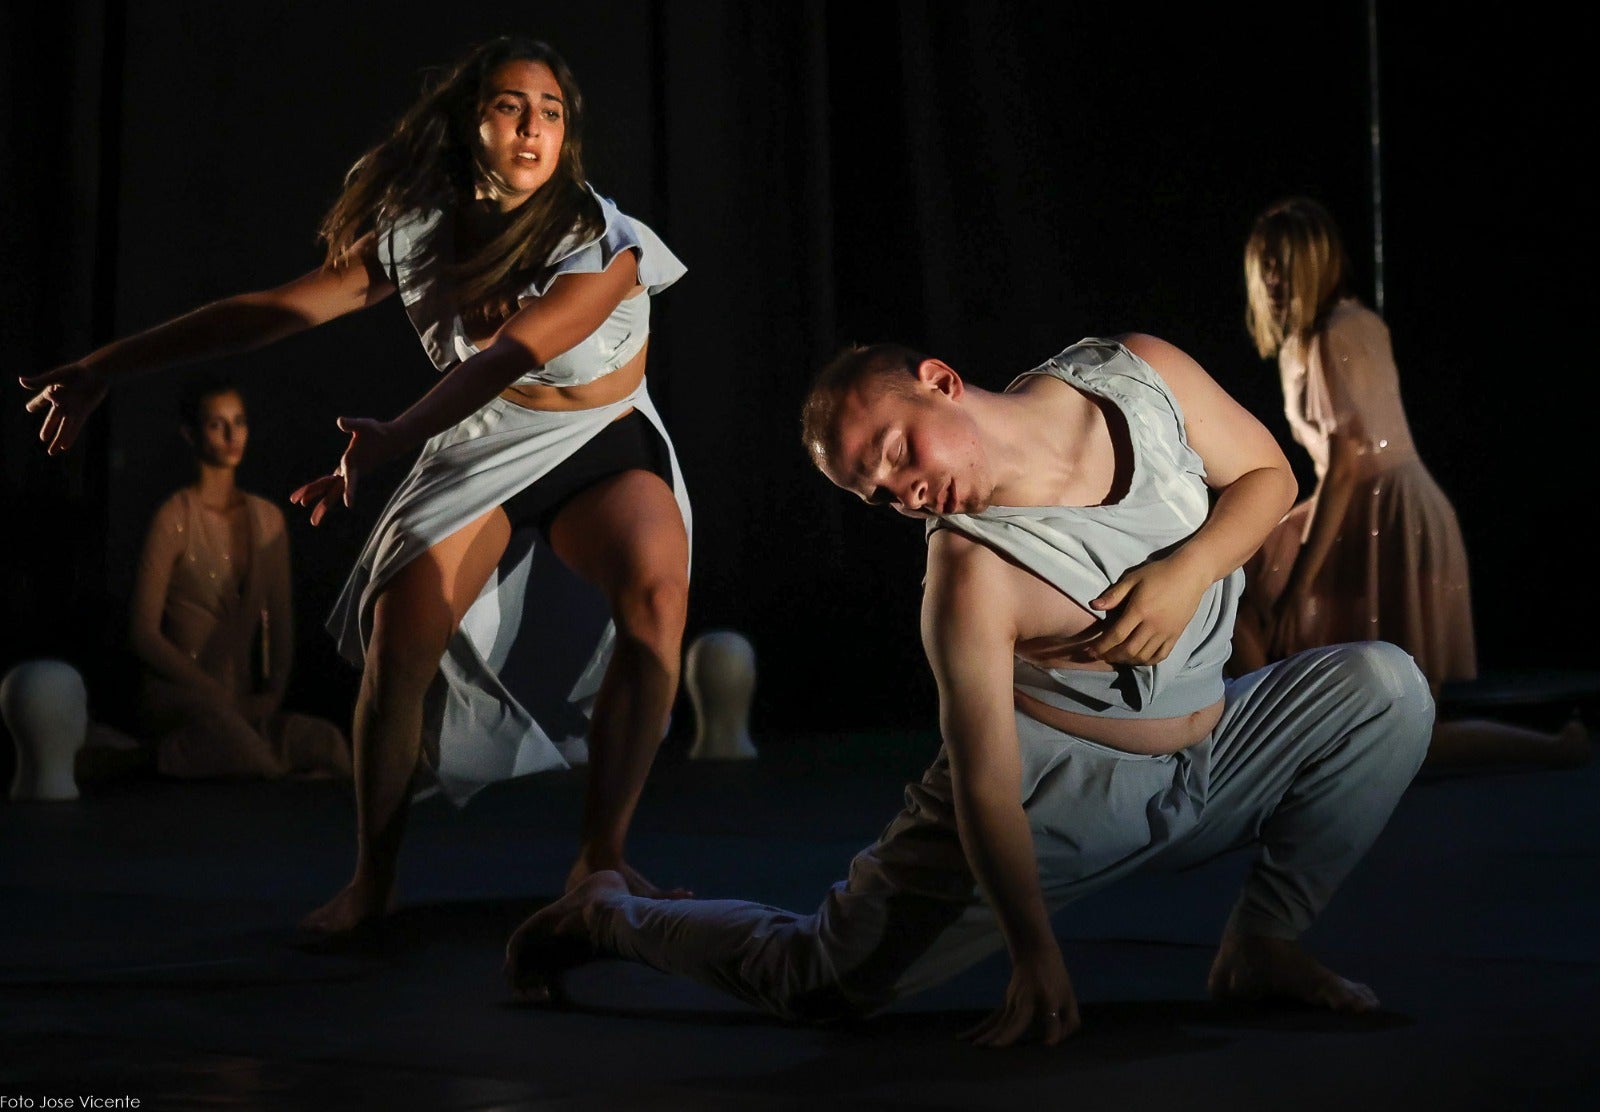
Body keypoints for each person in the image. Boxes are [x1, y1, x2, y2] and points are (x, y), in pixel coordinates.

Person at [505, 334, 1434, 1047]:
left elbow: (1269, 473)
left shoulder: (1137, 375)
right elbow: (988, 782)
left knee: (1386, 688)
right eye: (877, 495)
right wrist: (1034, 952)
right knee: (820, 977)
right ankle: (610, 912)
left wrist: (1189, 571)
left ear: (942, 381)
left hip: (1221, 750)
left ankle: (1261, 946)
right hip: (1061, 801)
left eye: (900, 453)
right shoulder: (967, 575)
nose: (903, 494)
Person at [19, 36, 693, 940]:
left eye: (551, 112)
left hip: (600, 436)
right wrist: (106, 365)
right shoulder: (420, 233)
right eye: (509, 106)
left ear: (567, 136)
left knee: (656, 592)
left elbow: (512, 352)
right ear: (472, 123)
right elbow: (269, 312)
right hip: (487, 437)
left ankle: (600, 858)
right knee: (399, 634)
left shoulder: (600, 238)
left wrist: (396, 435)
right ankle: (372, 879)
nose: (532, 127)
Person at [1231, 197, 1588, 770]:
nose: (1273, 277)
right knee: (1244, 574)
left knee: (1408, 728)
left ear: (1317, 261)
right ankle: (1266, 742)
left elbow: (1349, 461)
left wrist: (1299, 583)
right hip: (1356, 507)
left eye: (1285, 261)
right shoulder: (1304, 342)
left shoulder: (1342, 328)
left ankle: (1555, 750)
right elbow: (1338, 468)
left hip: (1389, 515)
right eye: (1264, 264)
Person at [130, 375, 350, 780]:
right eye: (217, 424)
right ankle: (140, 758)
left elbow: (281, 622)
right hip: (184, 697)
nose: (233, 435)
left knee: (329, 744)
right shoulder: (176, 517)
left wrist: (270, 697)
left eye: (240, 422)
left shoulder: (266, 519)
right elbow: (143, 633)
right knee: (245, 754)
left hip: (243, 700)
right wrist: (212, 694)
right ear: (191, 434)